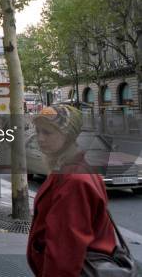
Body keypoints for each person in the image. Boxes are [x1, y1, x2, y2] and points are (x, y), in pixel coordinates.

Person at [27, 105, 116, 276]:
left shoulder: (73, 180)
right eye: (38, 131)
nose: (40, 138)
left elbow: (64, 253)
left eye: (47, 132)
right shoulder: (69, 169)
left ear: (67, 135)